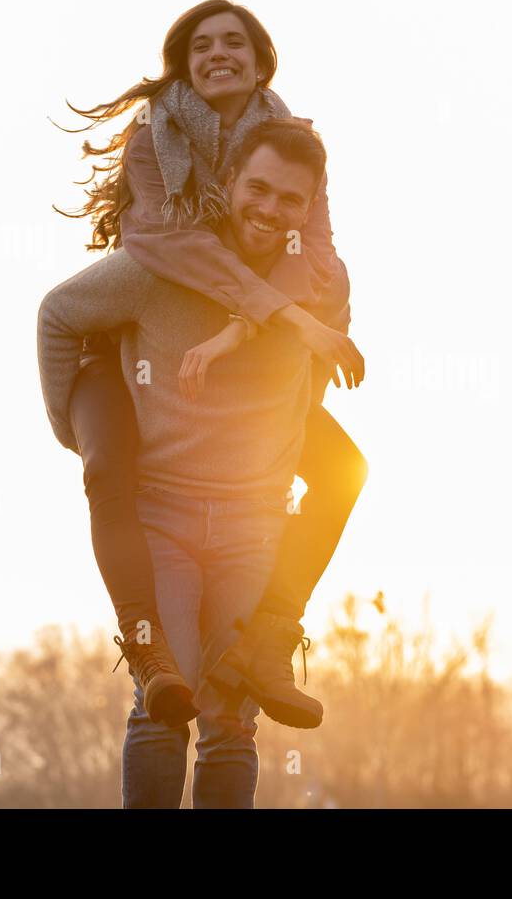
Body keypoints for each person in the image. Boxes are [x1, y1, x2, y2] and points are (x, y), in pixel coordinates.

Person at [51, 0, 366, 730]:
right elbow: (176, 252)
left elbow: (313, 258)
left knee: (345, 470)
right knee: (109, 467)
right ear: (182, 62)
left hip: (247, 392)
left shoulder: (292, 146)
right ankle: (148, 645)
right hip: (142, 352)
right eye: (202, 44)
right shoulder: (151, 143)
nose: (218, 53)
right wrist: (274, 317)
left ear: (261, 63)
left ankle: (270, 639)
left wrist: (266, 362)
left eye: (235, 43)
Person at [39, 117, 343, 807]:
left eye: (289, 199)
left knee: (232, 717)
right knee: (165, 702)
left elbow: (314, 373)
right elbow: (58, 314)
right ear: (229, 182)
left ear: (311, 207)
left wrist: (280, 439)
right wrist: (77, 429)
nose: (268, 209)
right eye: (256, 188)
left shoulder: (322, 282)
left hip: (253, 522)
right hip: (163, 515)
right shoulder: (162, 268)